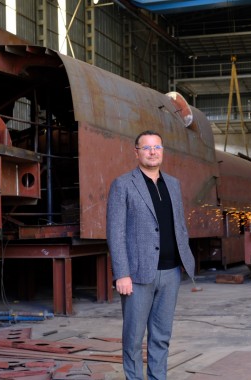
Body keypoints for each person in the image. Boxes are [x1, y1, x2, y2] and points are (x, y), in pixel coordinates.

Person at [106, 130, 195, 380]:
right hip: (137, 275)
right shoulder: (123, 184)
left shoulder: (173, 184)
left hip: (170, 272)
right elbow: (116, 232)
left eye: (157, 147)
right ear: (137, 152)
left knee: (161, 336)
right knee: (133, 339)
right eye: (146, 148)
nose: (152, 152)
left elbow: (178, 224)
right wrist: (121, 274)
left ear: (162, 151)